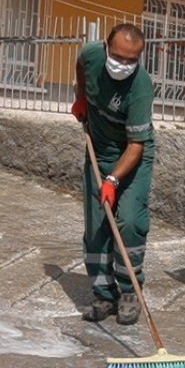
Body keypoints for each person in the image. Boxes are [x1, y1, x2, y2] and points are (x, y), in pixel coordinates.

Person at [71, 23, 156, 325]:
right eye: (118, 57)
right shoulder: (92, 54)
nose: (124, 65)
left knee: (130, 222)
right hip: (99, 148)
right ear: (106, 48)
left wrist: (112, 179)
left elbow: (136, 146)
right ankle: (104, 294)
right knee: (96, 227)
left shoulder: (141, 87)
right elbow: (81, 65)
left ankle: (130, 291)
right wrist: (81, 96)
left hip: (132, 157)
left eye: (132, 60)